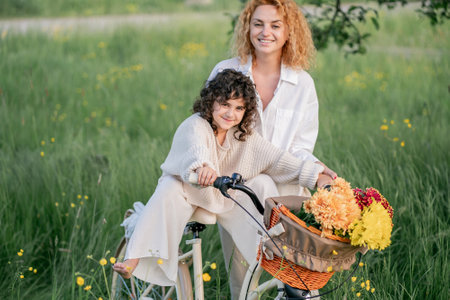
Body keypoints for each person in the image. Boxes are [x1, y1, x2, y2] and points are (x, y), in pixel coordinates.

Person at [113, 69, 333, 287]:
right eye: (225, 104)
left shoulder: (242, 135)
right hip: (188, 192)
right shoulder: (195, 125)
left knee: (262, 183)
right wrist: (203, 169)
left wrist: (316, 176)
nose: (231, 113)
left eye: (239, 108)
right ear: (211, 102)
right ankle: (134, 257)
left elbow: (277, 160)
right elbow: (196, 150)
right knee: (168, 188)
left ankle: (270, 250)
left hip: (223, 196)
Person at [207, 0, 336, 297]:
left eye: (275, 25)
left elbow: (301, 147)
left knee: (301, 281)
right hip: (239, 189)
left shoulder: (302, 84)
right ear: (247, 27)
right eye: (258, 24)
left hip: (287, 190)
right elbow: (209, 127)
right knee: (242, 284)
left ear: (289, 31)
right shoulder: (226, 72)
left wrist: (317, 172)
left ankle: (295, 285)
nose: (266, 32)